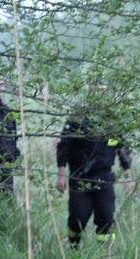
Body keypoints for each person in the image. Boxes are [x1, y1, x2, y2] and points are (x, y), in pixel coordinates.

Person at [56, 100, 132, 245]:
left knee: (107, 217)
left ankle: (106, 252)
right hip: (80, 176)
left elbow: (123, 148)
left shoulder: (114, 119)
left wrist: (127, 175)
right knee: (78, 217)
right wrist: (61, 175)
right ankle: (72, 247)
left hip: (104, 177)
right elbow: (63, 147)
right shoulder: (77, 117)